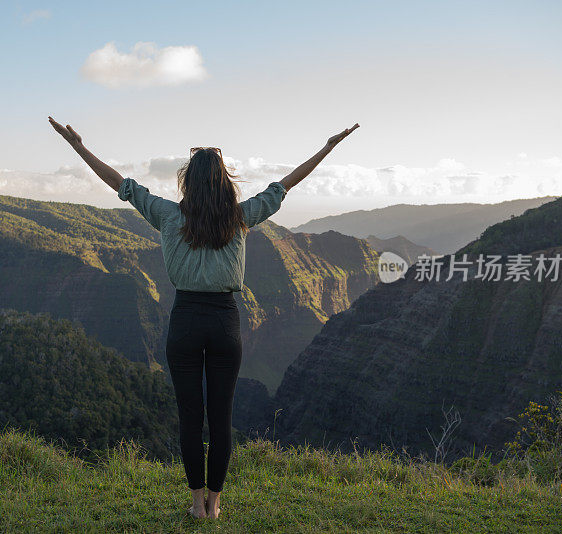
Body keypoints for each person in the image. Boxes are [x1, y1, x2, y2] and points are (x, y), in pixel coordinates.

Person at [47, 116, 359, 520]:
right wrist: (328, 147)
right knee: (222, 419)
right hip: (226, 322)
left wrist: (78, 147)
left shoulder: (166, 215)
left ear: (187, 182)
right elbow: (285, 185)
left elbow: (121, 185)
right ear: (223, 181)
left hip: (185, 322)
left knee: (191, 418)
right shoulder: (240, 217)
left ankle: (196, 503)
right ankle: (216, 505)